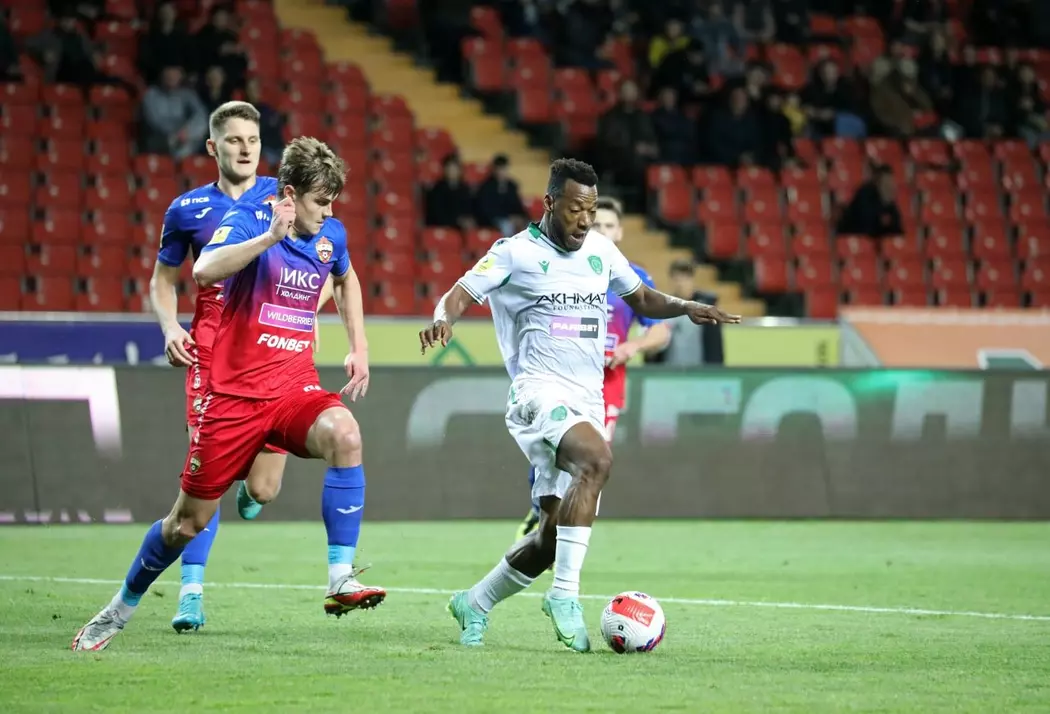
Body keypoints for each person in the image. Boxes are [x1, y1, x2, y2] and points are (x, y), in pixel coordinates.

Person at [73, 137, 385, 652]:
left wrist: (360, 346)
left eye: (333, 202)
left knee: (345, 434)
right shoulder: (248, 219)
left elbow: (346, 279)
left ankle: (339, 579)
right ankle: (118, 609)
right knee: (185, 523)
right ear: (289, 196)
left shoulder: (331, 233)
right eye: (320, 202)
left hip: (293, 387)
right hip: (234, 398)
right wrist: (269, 238)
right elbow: (202, 270)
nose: (329, 213)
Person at [419, 158, 739, 652]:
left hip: (586, 398)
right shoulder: (515, 252)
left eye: (591, 210)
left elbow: (642, 298)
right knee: (597, 460)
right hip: (537, 391)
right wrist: (444, 318)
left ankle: (473, 603)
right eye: (575, 209)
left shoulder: (601, 251)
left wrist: (685, 307)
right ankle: (564, 596)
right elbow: (460, 293)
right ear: (550, 203)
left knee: (550, 539)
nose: (585, 220)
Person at [149, 101, 333, 633]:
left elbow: (331, 263)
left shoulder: (285, 196)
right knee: (205, 477)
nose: (246, 148)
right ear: (213, 147)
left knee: (266, 488)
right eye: (233, 140)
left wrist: (306, 310)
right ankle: (191, 592)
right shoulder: (186, 209)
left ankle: (249, 489)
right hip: (212, 346)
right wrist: (170, 327)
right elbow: (163, 280)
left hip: (271, 349)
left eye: (252, 139)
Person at [515, 195, 670, 540]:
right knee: (550, 455)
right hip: (557, 379)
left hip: (605, 388)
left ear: (620, 232)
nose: (601, 230)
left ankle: (554, 534)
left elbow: (660, 331)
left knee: (586, 461)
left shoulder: (633, 277)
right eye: (596, 224)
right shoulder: (560, 268)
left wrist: (633, 346)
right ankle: (542, 517)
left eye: (609, 226)